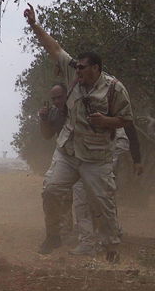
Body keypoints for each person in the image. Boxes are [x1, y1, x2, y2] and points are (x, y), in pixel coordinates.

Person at [25, 4, 133, 262]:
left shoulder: (114, 89)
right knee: (50, 189)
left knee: (103, 202)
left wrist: (107, 121)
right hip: (68, 150)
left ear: (96, 68)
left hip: (96, 156)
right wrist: (34, 25)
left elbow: (126, 120)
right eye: (78, 67)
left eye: (84, 67)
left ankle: (111, 248)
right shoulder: (73, 72)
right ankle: (54, 235)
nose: (79, 70)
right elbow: (54, 48)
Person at [39, 84, 144, 256]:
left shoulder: (89, 105)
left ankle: (92, 241)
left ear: (70, 96)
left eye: (60, 97)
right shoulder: (57, 113)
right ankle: (74, 234)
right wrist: (43, 119)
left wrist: (137, 157)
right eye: (54, 98)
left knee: (91, 192)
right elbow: (49, 135)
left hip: (105, 149)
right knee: (54, 189)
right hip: (76, 153)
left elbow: (127, 124)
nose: (57, 101)